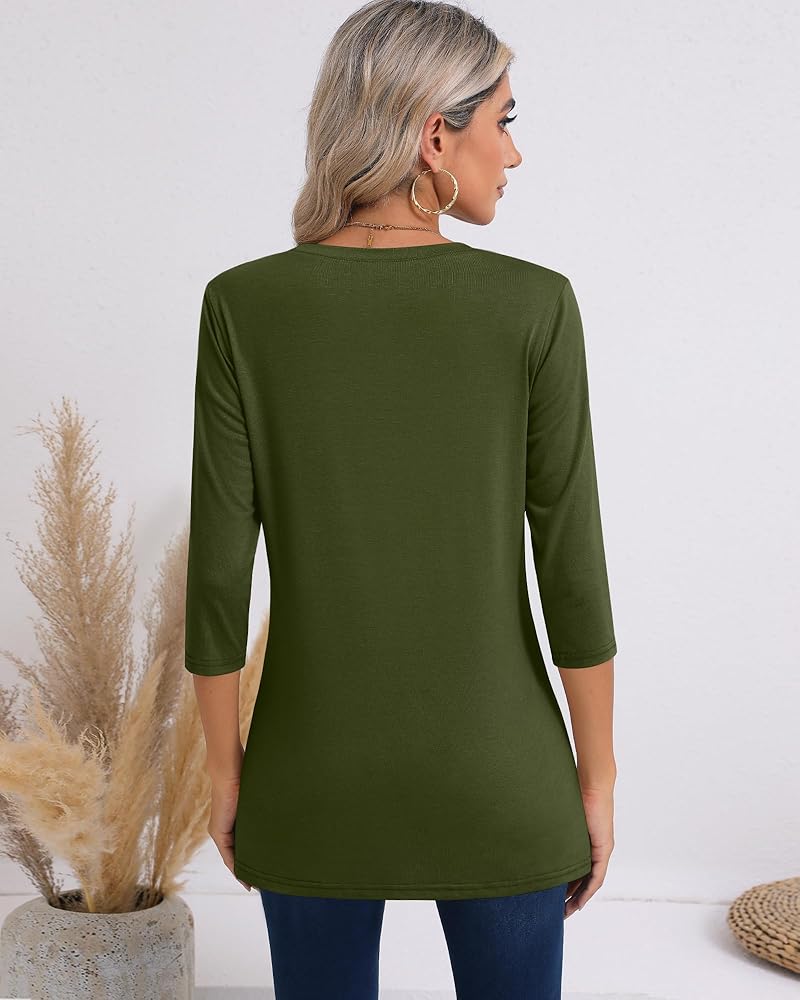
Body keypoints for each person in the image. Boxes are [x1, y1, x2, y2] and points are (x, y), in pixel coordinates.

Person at [185, 1, 618, 997]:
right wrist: (594, 781)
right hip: (502, 778)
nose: (514, 153)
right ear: (434, 136)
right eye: (504, 120)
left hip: (308, 779)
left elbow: (216, 581)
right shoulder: (534, 305)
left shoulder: (242, 305)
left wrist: (225, 776)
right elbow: (573, 573)